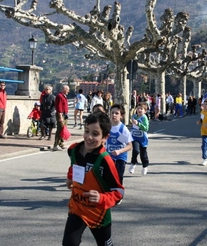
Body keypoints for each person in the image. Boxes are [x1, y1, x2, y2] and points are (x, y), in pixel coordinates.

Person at [62, 112, 124, 246]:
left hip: (98, 214)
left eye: (95, 134)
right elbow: (74, 165)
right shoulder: (73, 150)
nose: (89, 137)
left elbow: (119, 193)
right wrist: (70, 177)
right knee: (69, 243)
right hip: (77, 208)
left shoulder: (106, 161)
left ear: (105, 137)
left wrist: (102, 198)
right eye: (86, 131)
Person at [106, 104, 133, 185]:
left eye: (117, 113)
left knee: (118, 176)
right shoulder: (107, 127)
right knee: (108, 176)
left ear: (121, 116)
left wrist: (119, 151)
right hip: (109, 156)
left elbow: (129, 146)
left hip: (120, 157)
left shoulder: (123, 129)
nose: (114, 115)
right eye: (112, 113)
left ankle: (118, 194)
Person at [129, 102, 150, 175]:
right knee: (135, 150)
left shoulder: (144, 118)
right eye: (138, 108)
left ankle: (145, 166)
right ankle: (133, 163)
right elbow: (132, 126)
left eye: (141, 109)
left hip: (143, 138)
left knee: (143, 154)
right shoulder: (134, 116)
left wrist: (138, 124)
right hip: (135, 137)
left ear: (145, 111)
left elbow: (146, 128)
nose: (139, 110)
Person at [53, 85, 69, 151]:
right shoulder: (59, 96)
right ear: (64, 89)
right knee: (59, 129)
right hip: (61, 114)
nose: (68, 91)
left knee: (63, 129)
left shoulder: (64, 96)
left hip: (65, 114)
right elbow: (59, 107)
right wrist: (60, 117)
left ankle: (61, 144)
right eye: (67, 89)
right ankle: (56, 145)